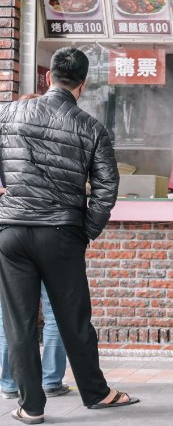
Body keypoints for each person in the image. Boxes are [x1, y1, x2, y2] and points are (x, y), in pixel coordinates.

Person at [0, 47, 139, 424]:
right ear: (83, 83)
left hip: (12, 233)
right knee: (73, 319)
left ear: (48, 77)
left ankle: (30, 407)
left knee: (20, 323)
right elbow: (107, 187)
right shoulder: (90, 126)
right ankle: (96, 393)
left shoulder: (7, 113)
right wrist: (87, 230)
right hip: (61, 233)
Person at [0, 93, 69, 402]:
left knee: (13, 314)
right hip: (53, 235)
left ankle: (10, 382)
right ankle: (51, 380)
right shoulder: (56, 143)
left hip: (11, 236)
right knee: (57, 312)